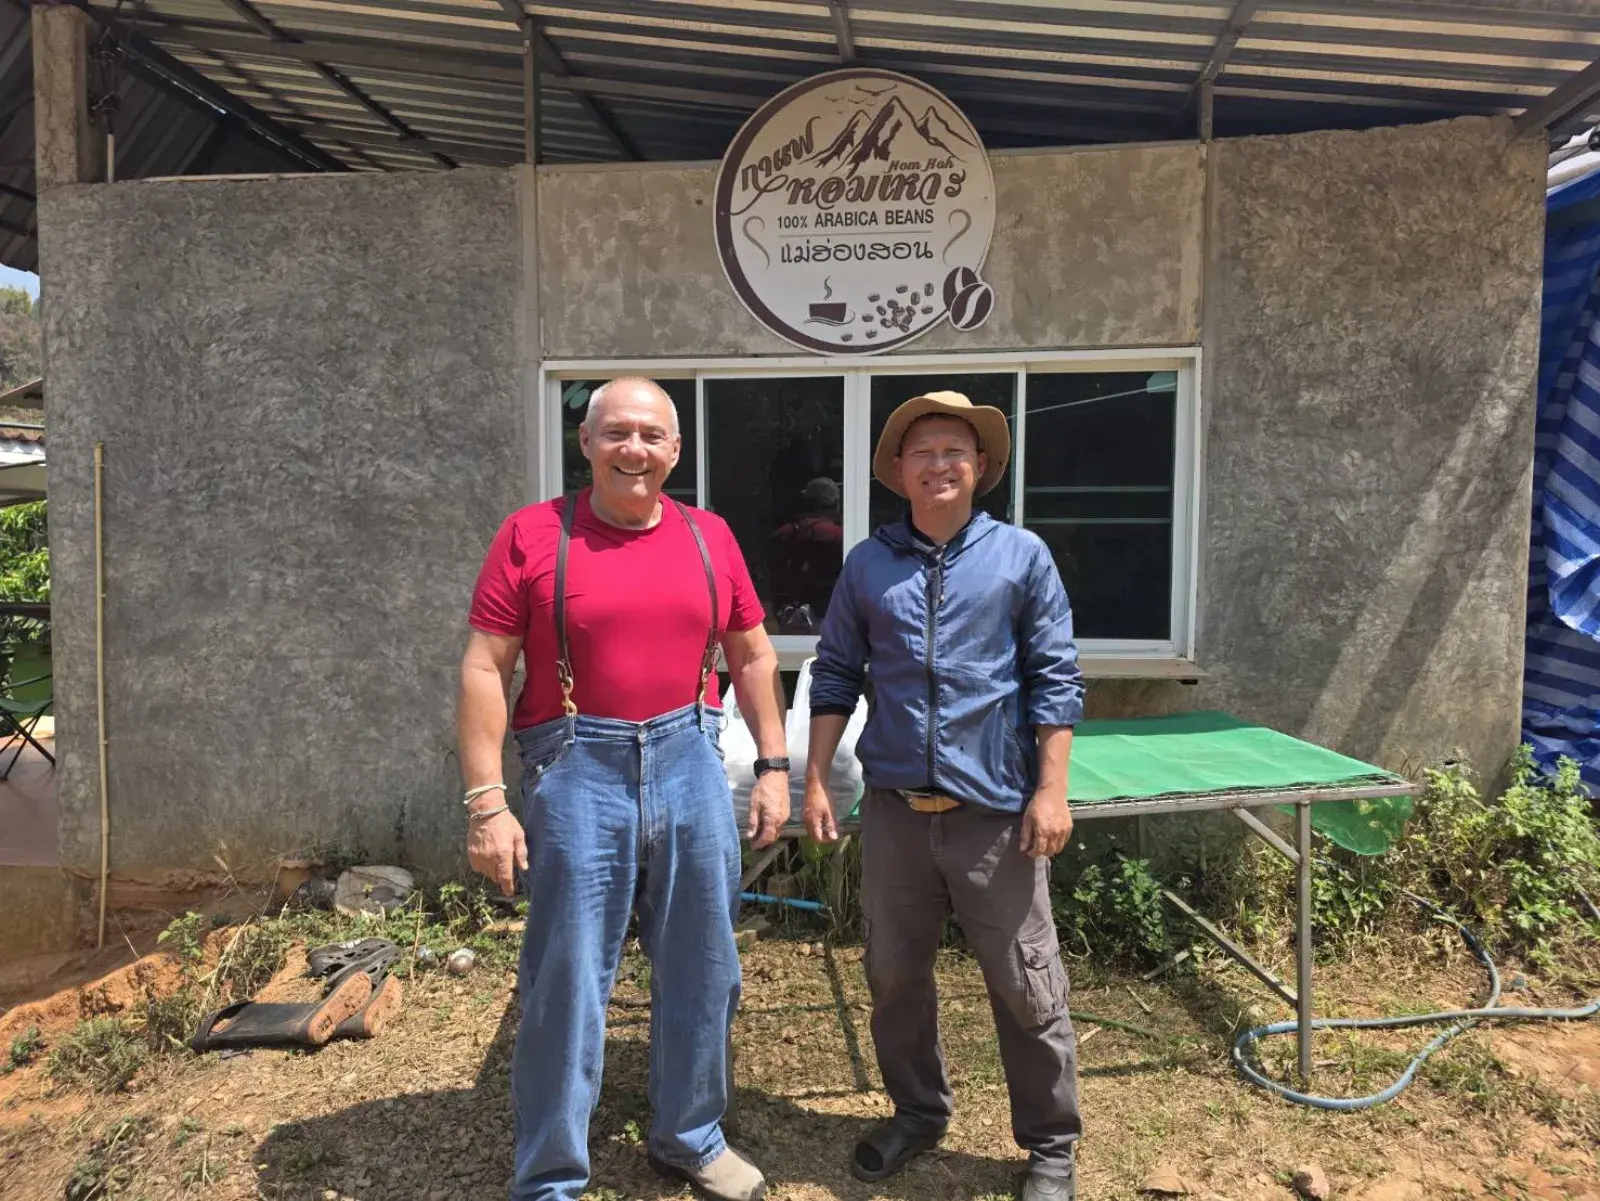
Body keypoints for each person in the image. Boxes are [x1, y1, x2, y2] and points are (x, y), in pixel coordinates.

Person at [457, 377, 792, 1201]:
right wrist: (487, 801)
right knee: (567, 978)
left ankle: (688, 1135)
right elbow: (484, 665)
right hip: (577, 769)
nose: (633, 449)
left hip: (690, 759)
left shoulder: (710, 536)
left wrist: (775, 765)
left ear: (675, 451)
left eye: (651, 435)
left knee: (704, 966)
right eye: (616, 433)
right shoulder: (533, 536)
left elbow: (751, 655)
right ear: (586, 443)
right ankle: (550, 1175)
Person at [801, 391, 1086, 1201]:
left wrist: (1051, 791)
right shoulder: (868, 564)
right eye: (922, 449)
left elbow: (1055, 679)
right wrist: (819, 776)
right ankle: (919, 1112)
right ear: (898, 469)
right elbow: (834, 673)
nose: (939, 463)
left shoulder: (1021, 557)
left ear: (982, 467)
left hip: (994, 813)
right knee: (894, 976)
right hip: (894, 816)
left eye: (955, 450)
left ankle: (1051, 1145)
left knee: (1027, 983)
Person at [765, 476, 844, 634]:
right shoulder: (839, 536)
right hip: (829, 616)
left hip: (788, 616)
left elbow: (771, 572)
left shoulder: (783, 534)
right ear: (834, 503)